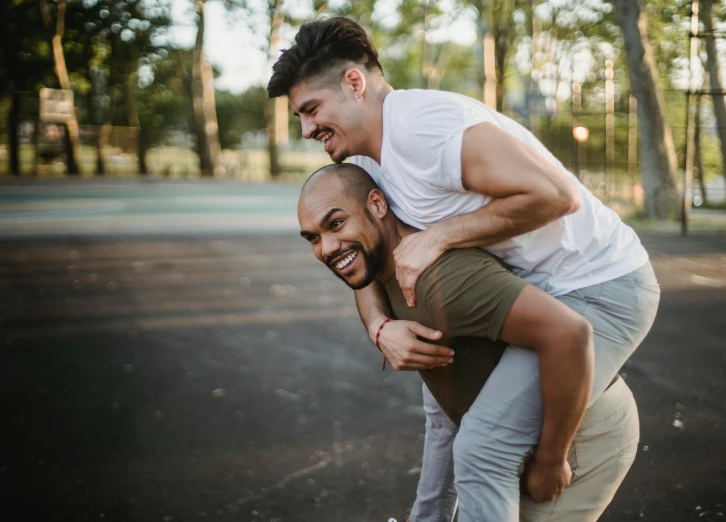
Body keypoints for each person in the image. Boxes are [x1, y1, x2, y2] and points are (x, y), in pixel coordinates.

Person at [269, 17, 661, 520]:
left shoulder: (423, 126)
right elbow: (362, 256)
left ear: (354, 83)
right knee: (445, 401)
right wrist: (379, 325)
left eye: (311, 110)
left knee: (483, 448)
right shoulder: (367, 164)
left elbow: (555, 194)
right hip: (538, 287)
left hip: (601, 286)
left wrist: (550, 459)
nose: (305, 129)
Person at [297, 163, 640, 522]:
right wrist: (378, 326)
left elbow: (570, 334)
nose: (327, 248)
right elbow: (444, 419)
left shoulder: (440, 282)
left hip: (581, 432)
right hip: (514, 439)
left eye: (336, 224)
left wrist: (551, 461)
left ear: (379, 206)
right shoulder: (380, 266)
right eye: (313, 238)